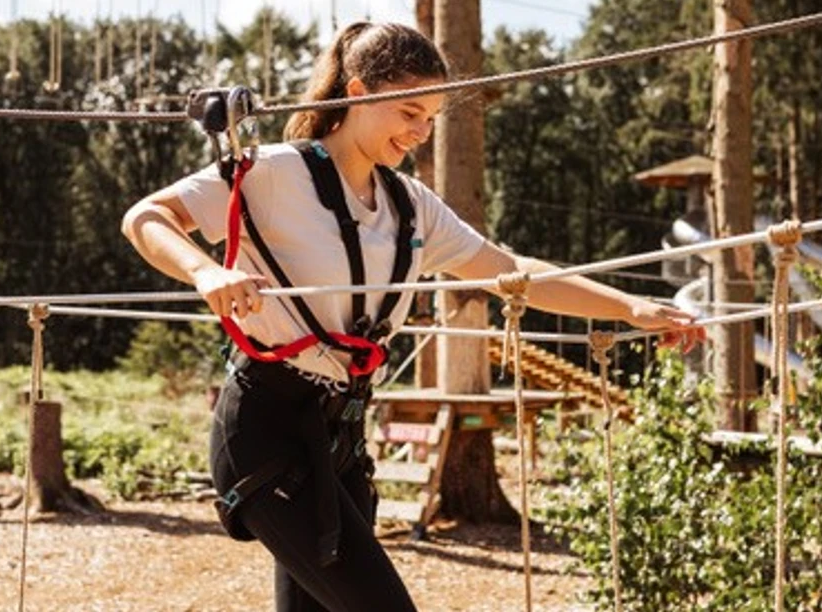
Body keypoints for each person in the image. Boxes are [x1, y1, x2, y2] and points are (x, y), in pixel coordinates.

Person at [122, 21, 704, 612]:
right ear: (356, 91)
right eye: (408, 112)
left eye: (430, 118)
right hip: (265, 428)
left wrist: (629, 308)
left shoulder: (412, 207)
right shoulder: (273, 173)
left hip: (340, 436)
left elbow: (510, 269)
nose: (421, 132)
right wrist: (206, 272)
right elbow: (147, 216)